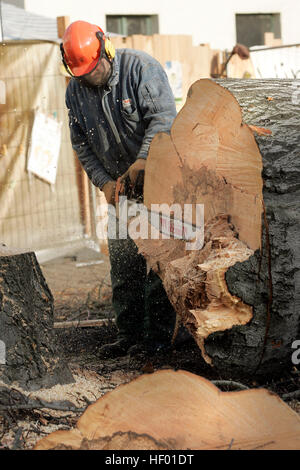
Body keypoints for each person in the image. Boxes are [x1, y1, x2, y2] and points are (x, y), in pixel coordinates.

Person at [61, 21, 178, 358]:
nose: (90, 75)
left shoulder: (141, 69)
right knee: (124, 266)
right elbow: (81, 144)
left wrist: (143, 161)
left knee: (158, 263)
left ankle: (159, 341)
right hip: (120, 191)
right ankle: (129, 337)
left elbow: (163, 119)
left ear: (106, 49)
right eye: (82, 71)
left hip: (160, 183)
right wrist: (104, 183)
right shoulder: (75, 91)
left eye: (94, 67)